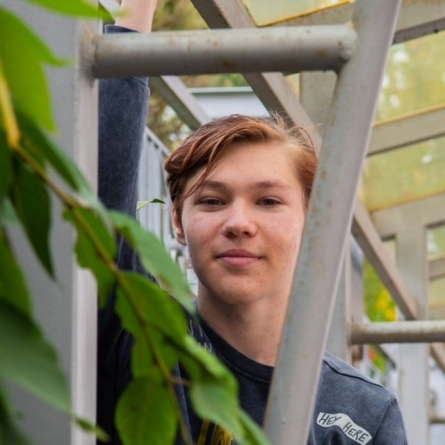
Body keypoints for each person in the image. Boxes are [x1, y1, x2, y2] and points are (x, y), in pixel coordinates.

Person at [97, 1, 408, 444]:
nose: (239, 223)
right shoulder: (145, 341)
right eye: (212, 201)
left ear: (313, 223)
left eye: (268, 201)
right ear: (178, 223)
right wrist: (134, 19)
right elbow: (101, 208)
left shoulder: (363, 413)